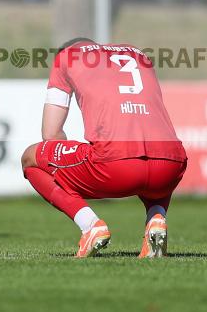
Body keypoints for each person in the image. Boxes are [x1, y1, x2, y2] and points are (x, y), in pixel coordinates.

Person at [21, 39, 188, 258]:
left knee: (30, 157)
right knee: (155, 152)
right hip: (171, 166)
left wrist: (64, 164)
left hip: (115, 166)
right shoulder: (139, 54)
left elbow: (50, 136)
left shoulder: (67, 57)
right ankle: (156, 219)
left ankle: (90, 226)